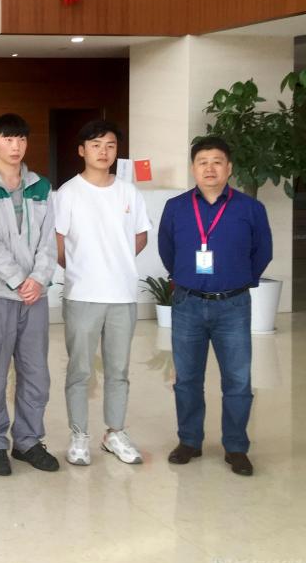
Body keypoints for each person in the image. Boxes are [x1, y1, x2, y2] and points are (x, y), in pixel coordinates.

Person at [158, 136, 272, 476]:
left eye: (217, 162)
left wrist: (238, 279)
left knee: (237, 380)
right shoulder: (176, 207)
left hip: (233, 305)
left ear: (229, 168)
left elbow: (262, 252)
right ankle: (189, 441)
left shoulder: (250, 208)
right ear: (193, 168)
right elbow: (167, 250)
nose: (210, 168)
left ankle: (236, 447)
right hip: (188, 303)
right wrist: (187, 277)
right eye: (203, 162)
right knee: (187, 379)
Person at [55, 120, 152, 466]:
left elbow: (140, 235)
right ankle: (79, 435)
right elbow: (58, 243)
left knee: (118, 370)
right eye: (95, 145)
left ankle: (115, 433)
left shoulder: (129, 192)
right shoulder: (67, 193)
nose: (103, 151)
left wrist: (117, 262)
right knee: (80, 370)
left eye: (110, 145)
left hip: (122, 295)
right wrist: (83, 269)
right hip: (83, 294)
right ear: (81, 150)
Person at [0, 114, 60, 476]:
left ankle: (28, 441)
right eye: (8, 139)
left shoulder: (41, 186)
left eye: (21, 139)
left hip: (35, 297)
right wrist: (18, 280)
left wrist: (38, 280)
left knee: (36, 372)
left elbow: (49, 240)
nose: (16, 146)